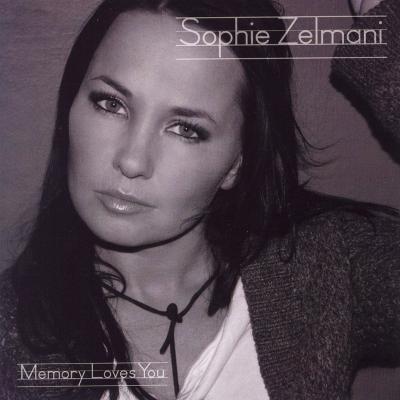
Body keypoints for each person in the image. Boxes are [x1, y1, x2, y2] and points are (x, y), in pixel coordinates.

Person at [0, 0, 399, 399]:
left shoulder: (326, 267)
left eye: (185, 129)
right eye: (111, 103)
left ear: (237, 163)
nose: (132, 161)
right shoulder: (9, 335)